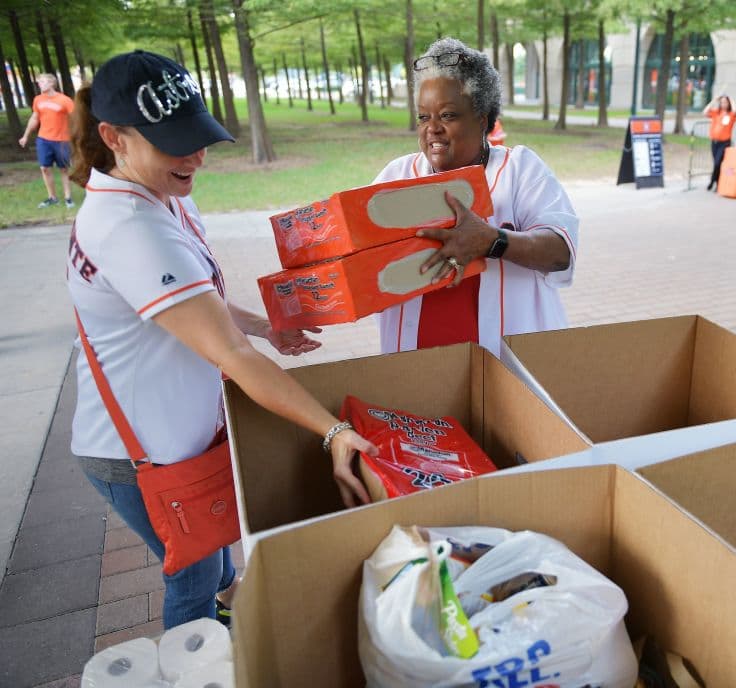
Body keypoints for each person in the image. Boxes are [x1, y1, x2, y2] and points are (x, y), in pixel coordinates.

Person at [66, 50, 378, 629]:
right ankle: (196, 659)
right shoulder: (130, 229)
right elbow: (231, 354)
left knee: (215, 565)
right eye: (174, 143)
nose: (196, 156)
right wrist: (332, 431)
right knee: (194, 577)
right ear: (113, 138)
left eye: (199, 136)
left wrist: (266, 326)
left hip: (173, 434)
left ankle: (231, 628)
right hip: (138, 453)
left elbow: (196, 303)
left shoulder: (161, 195)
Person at [373, 38, 578, 356]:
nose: (432, 129)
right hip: (416, 367)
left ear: (482, 119)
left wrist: (493, 241)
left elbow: (561, 252)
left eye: (447, 115)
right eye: (424, 117)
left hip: (507, 365)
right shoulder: (395, 177)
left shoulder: (519, 169)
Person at [19, 73, 76, 208]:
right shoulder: (38, 100)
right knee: (44, 168)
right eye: (39, 82)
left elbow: (75, 119)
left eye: (43, 82)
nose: (40, 84)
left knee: (64, 169)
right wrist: (25, 136)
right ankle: (52, 198)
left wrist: (76, 137)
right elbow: (35, 118)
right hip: (43, 139)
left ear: (51, 83)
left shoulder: (65, 100)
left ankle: (68, 198)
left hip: (62, 141)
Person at [702, 94, 736, 191]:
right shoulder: (716, 113)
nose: (723, 104)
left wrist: (730, 98)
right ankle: (717, 183)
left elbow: (735, 109)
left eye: (725, 102)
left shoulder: (731, 114)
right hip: (715, 142)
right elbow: (705, 112)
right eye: (722, 102)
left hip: (724, 143)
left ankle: (712, 181)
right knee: (716, 163)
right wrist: (714, 100)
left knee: (718, 163)